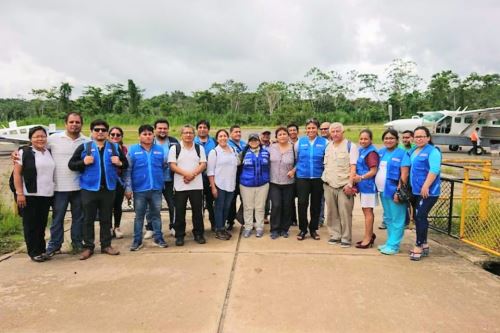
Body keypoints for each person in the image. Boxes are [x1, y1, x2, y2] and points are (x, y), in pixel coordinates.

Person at [68, 119, 127, 260]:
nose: (100, 132)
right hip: (89, 188)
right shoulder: (85, 147)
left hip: (108, 188)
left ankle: (106, 245)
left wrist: (119, 162)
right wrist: (83, 162)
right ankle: (88, 247)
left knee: (106, 218)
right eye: (97, 130)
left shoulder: (114, 148)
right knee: (88, 219)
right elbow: (71, 164)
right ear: (92, 132)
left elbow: (125, 164)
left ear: (107, 133)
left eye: (103, 130)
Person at [39, 112, 87, 256]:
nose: (74, 125)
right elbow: (36, 147)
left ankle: (77, 243)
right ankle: (55, 245)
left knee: (78, 218)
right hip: (59, 187)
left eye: (77, 122)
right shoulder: (53, 139)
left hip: (79, 187)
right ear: (65, 124)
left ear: (81, 124)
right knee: (57, 218)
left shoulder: (86, 141)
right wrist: (18, 152)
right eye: (71, 122)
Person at [13, 126, 55, 262]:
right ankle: (33, 252)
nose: (40, 139)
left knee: (41, 224)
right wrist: (20, 193)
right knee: (31, 225)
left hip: (46, 194)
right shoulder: (23, 152)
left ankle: (41, 250)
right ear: (30, 139)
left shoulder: (48, 151)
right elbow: (17, 174)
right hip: (29, 194)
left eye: (43, 136)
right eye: (36, 136)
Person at [125, 125, 169, 251]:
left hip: (156, 189)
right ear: (139, 136)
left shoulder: (159, 150)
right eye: (144, 134)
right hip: (140, 190)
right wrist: (128, 188)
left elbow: (164, 165)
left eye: (150, 134)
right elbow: (128, 170)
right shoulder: (133, 150)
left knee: (156, 215)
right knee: (139, 216)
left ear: (153, 135)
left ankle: (158, 237)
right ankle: (137, 240)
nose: (148, 136)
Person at [169, 125, 207, 246]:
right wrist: (187, 174)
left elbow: (203, 164)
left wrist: (193, 175)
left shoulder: (199, 148)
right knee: (180, 212)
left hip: (196, 186)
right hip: (180, 186)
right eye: (185, 133)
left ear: (194, 135)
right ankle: (180, 235)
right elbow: (172, 165)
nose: (188, 135)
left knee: (197, 212)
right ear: (181, 135)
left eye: (190, 133)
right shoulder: (175, 148)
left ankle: (198, 234)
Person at [322, 123, 358, 247]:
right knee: (332, 212)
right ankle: (335, 235)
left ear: (343, 132)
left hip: (344, 186)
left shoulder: (350, 146)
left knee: (345, 213)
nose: (335, 134)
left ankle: (346, 238)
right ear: (330, 133)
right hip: (329, 184)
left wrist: (350, 184)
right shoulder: (328, 146)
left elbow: (353, 166)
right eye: (333, 131)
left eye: (338, 131)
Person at [375, 129, 410, 255]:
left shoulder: (402, 154)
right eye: (386, 138)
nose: (388, 140)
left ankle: (394, 246)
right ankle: (389, 242)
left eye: (391, 138)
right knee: (388, 218)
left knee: (397, 219)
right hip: (383, 191)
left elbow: (404, 174)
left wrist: (399, 191)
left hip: (395, 192)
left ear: (396, 140)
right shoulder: (381, 152)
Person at [409, 126, 442, 261]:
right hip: (415, 190)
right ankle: (424, 243)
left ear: (428, 138)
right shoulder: (414, 151)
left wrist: (426, 186)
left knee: (420, 216)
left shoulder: (433, 151)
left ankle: (418, 246)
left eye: (422, 136)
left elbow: (434, 169)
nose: (419, 138)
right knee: (420, 217)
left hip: (428, 191)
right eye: (417, 136)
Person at [144, 119, 178, 238]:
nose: (162, 131)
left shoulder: (174, 142)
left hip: (170, 179)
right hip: (154, 179)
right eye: (160, 128)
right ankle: (150, 227)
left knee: (173, 204)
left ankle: (174, 226)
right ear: (155, 130)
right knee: (151, 205)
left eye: (165, 128)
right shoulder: (149, 141)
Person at [295, 118, 327, 240]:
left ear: (317, 129)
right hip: (302, 177)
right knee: (302, 203)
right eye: (309, 128)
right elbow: (296, 158)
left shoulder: (324, 142)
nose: (311, 130)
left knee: (316, 205)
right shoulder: (300, 142)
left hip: (318, 178)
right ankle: (303, 229)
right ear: (305, 129)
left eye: (313, 128)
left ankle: (313, 229)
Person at [207, 129, 239, 240]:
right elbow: (210, 171)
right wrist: (213, 187)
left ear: (228, 137)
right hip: (219, 185)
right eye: (220, 136)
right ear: (217, 139)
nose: (223, 138)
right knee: (219, 208)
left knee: (227, 207)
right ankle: (218, 229)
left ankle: (223, 227)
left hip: (231, 184)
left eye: (225, 136)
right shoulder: (214, 152)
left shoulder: (233, 150)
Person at [239, 133, 270, 238]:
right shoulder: (243, 153)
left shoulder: (266, 152)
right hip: (246, 184)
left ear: (259, 141)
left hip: (262, 184)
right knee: (248, 207)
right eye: (251, 140)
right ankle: (248, 227)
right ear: (248, 142)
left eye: (256, 140)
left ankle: (259, 227)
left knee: (260, 207)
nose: (254, 142)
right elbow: (236, 166)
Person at [353, 129, 379, 249]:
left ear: (371, 140)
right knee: (365, 211)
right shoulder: (362, 150)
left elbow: (373, 171)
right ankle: (369, 235)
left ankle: (368, 238)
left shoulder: (371, 153)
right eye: (361, 139)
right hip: (363, 186)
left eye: (366, 139)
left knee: (368, 212)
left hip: (368, 186)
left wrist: (361, 177)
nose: (363, 141)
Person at [268, 127, 295, 239]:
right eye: (280, 134)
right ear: (276, 137)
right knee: (276, 205)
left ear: (288, 136)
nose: (282, 136)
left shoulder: (294, 148)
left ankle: (284, 229)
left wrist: (294, 170)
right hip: (274, 182)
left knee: (287, 206)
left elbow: (300, 161)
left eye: (284, 134)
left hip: (289, 182)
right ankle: (274, 229)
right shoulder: (271, 147)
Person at [194, 120, 217, 231]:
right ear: (197, 129)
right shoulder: (191, 141)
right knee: (198, 204)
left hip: (210, 177)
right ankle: (199, 228)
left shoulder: (214, 141)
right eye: (200, 127)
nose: (202, 129)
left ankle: (214, 223)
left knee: (211, 203)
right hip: (196, 177)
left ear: (208, 129)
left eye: (204, 127)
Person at [226, 125, 246, 230]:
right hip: (232, 175)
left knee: (245, 199)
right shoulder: (227, 144)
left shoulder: (244, 143)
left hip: (243, 175)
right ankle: (230, 220)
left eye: (239, 132)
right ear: (230, 134)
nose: (238, 134)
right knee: (232, 200)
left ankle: (243, 219)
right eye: (235, 132)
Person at [109, 126, 127, 239]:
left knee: (117, 205)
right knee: (107, 206)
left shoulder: (124, 149)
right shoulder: (105, 147)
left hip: (120, 180)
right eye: (113, 135)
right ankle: (109, 227)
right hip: (107, 180)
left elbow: (126, 165)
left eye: (118, 135)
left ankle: (117, 227)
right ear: (108, 136)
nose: (115, 136)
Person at [399, 130, 416, 230]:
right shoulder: (400, 148)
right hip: (403, 177)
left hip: (413, 178)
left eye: (407, 137)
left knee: (413, 201)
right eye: (403, 138)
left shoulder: (415, 148)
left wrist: (412, 143)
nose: (405, 139)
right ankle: (405, 221)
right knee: (404, 199)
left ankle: (413, 220)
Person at [287, 123, 299, 226]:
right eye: (290, 130)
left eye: (294, 130)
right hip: (288, 174)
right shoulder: (284, 143)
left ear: (297, 131)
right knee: (290, 198)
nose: (292, 132)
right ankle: (292, 218)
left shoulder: (302, 142)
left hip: (300, 174)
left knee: (301, 199)